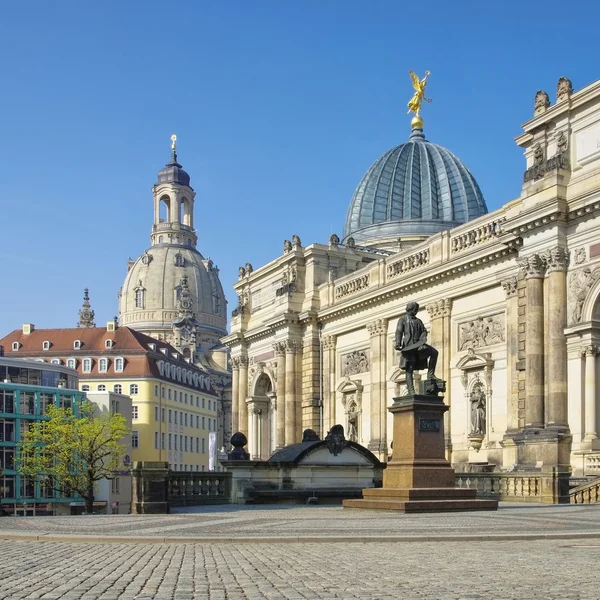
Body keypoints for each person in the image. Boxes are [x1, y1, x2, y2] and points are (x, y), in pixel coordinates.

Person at [395, 301, 440, 395]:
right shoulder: (403, 319)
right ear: (410, 309)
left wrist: (422, 339)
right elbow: (399, 331)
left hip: (419, 344)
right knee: (409, 368)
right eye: (415, 310)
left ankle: (430, 374)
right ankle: (411, 391)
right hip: (409, 346)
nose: (416, 311)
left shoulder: (418, 321)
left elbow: (424, 331)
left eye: (416, 310)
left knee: (434, 353)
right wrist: (398, 342)